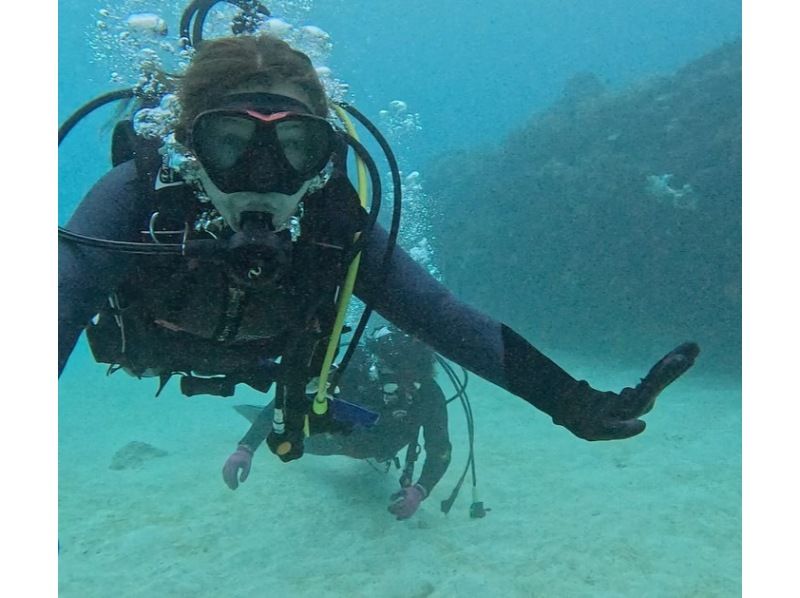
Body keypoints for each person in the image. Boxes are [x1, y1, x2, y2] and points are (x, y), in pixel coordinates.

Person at [58, 34, 699, 471]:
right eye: (230, 144)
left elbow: (442, 318)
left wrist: (572, 400)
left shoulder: (334, 220)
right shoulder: (138, 198)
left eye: (294, 148)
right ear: (188, 148)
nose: (263, 175)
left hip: (271, 363)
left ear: (324, 156)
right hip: (144, 347)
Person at [225, 325, 452, 520]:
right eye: (400, 375)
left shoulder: (429, 395)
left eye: (414, 378)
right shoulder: (353, 373)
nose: (406, 386)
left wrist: (420, 490)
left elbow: (440, 448)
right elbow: (287, 402)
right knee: (293, 439)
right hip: (333, 441)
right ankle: (260, 424)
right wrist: (245, 449)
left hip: (382, 448)